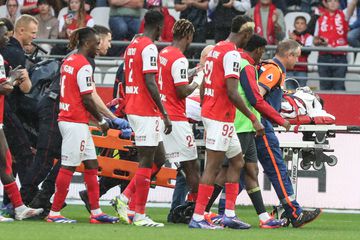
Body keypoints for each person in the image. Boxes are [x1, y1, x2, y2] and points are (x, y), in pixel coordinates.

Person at [203, 34, 290, 229]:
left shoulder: (242, 63)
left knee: (252, 169)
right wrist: (279, 120)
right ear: (258, 50)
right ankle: (206, 211)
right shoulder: (245, 65)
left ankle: (263, 217)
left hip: (248, 126)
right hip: (240, 124)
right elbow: (255, 99)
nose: (263, 55)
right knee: (227, 170)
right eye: (263, 52)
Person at [189, 15, 265, 230]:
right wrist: (253, 118)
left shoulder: (215, 49)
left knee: (237, 162)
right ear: (246, 34)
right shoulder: (231, 54)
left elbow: (205, 83)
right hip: (220, 117)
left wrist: (205, 106)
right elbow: (232, 92)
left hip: (217, 115)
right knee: (212, 167)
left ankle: (229, 215)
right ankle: (198, 216)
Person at [46, 27, 120, 224]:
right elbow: (87, 99)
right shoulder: (84, 65)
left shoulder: (69, 60)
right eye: (96, 43)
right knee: (68, 166)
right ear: (87, 43)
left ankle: (95, 212)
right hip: (74, 121)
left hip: (72, 119)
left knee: (92, 164)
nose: (98, 47)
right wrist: (103, 122)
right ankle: (54, 213)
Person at [111, 10, 172, 228]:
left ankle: (124, 198)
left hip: (135, 107)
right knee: (146, 161)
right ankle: (139, 214)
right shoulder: (148, 47)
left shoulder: (133, 45)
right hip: (145, 110)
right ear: (159, 26)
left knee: (159, 158)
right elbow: (150, 82)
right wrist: (164, 113)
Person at [255, 39, 322, 228]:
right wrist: (273, 118)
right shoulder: (274, 70)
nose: (297, 61)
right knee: (277, 169)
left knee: (244, 172)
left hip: (253, 124)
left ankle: (211, 211)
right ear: (289, 54)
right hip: (261, 126)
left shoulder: (269, 68)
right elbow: (258, 95)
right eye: (297, 56)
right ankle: (295, 213)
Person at [0, 20, 43, 223]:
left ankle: (15, 205)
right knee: (20, 155)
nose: (35, 37)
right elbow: (18, 88)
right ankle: (26, 201)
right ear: (21, 30)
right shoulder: (15, 54)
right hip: (6, 111)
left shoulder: (5, 53)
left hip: (4, 113)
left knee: (9, 160)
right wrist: (18, 77)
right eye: (32, 32)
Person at [158, 18, 202, 212]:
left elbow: (170, 77)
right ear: (188, 36)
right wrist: (198, 81)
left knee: (155, 162)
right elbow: (182, 91)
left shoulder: (164, 53)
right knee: (192, 165)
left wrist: (192, 71)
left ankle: (129, 201)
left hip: (161, 113)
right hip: (175, 117)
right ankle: (201, 211)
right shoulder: (179, 58)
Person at [313, 0, 348, 91]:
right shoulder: (320, 18)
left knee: (339, 87)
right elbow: (314, 40)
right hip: (324, 57)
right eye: (330, 1)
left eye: (335, 1)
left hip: (341, 57)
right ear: (326, 3)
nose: (332, 3)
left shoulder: (345, 15)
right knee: (324, 88)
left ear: (339, 3)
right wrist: (320, 41)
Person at [287, 16, 313, 87]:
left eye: (302, 23)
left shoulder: (309, 37)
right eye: (297, 23)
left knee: (301, 93)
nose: (299, 25)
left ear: (305, 25)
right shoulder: (290, 36)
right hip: (289, 69)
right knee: (290, 93)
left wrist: (296, 40)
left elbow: (306, 52)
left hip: (302, 69)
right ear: (294, 25)